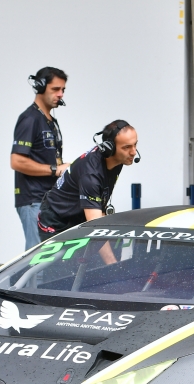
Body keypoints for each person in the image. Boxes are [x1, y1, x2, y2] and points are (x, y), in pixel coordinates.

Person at [37, 120, 139, 258]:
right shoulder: (91, 175)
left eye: (135, 144)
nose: (133, 152)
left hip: (78, 216)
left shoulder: (118, 159)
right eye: (127, 147)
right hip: (56, 221)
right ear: (109, 148)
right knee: (63, 269)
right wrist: (113, 264)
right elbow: (96, 229)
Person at [11, 67, 70, 250]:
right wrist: (55, 170)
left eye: (63, 90)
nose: (60, 94)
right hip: (33, 200)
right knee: (38, 257)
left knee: (49, 258)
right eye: (55, 89)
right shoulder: (30, 119)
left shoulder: (50, 121)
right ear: (40, 87)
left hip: (47, 201)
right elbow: (17, 161)